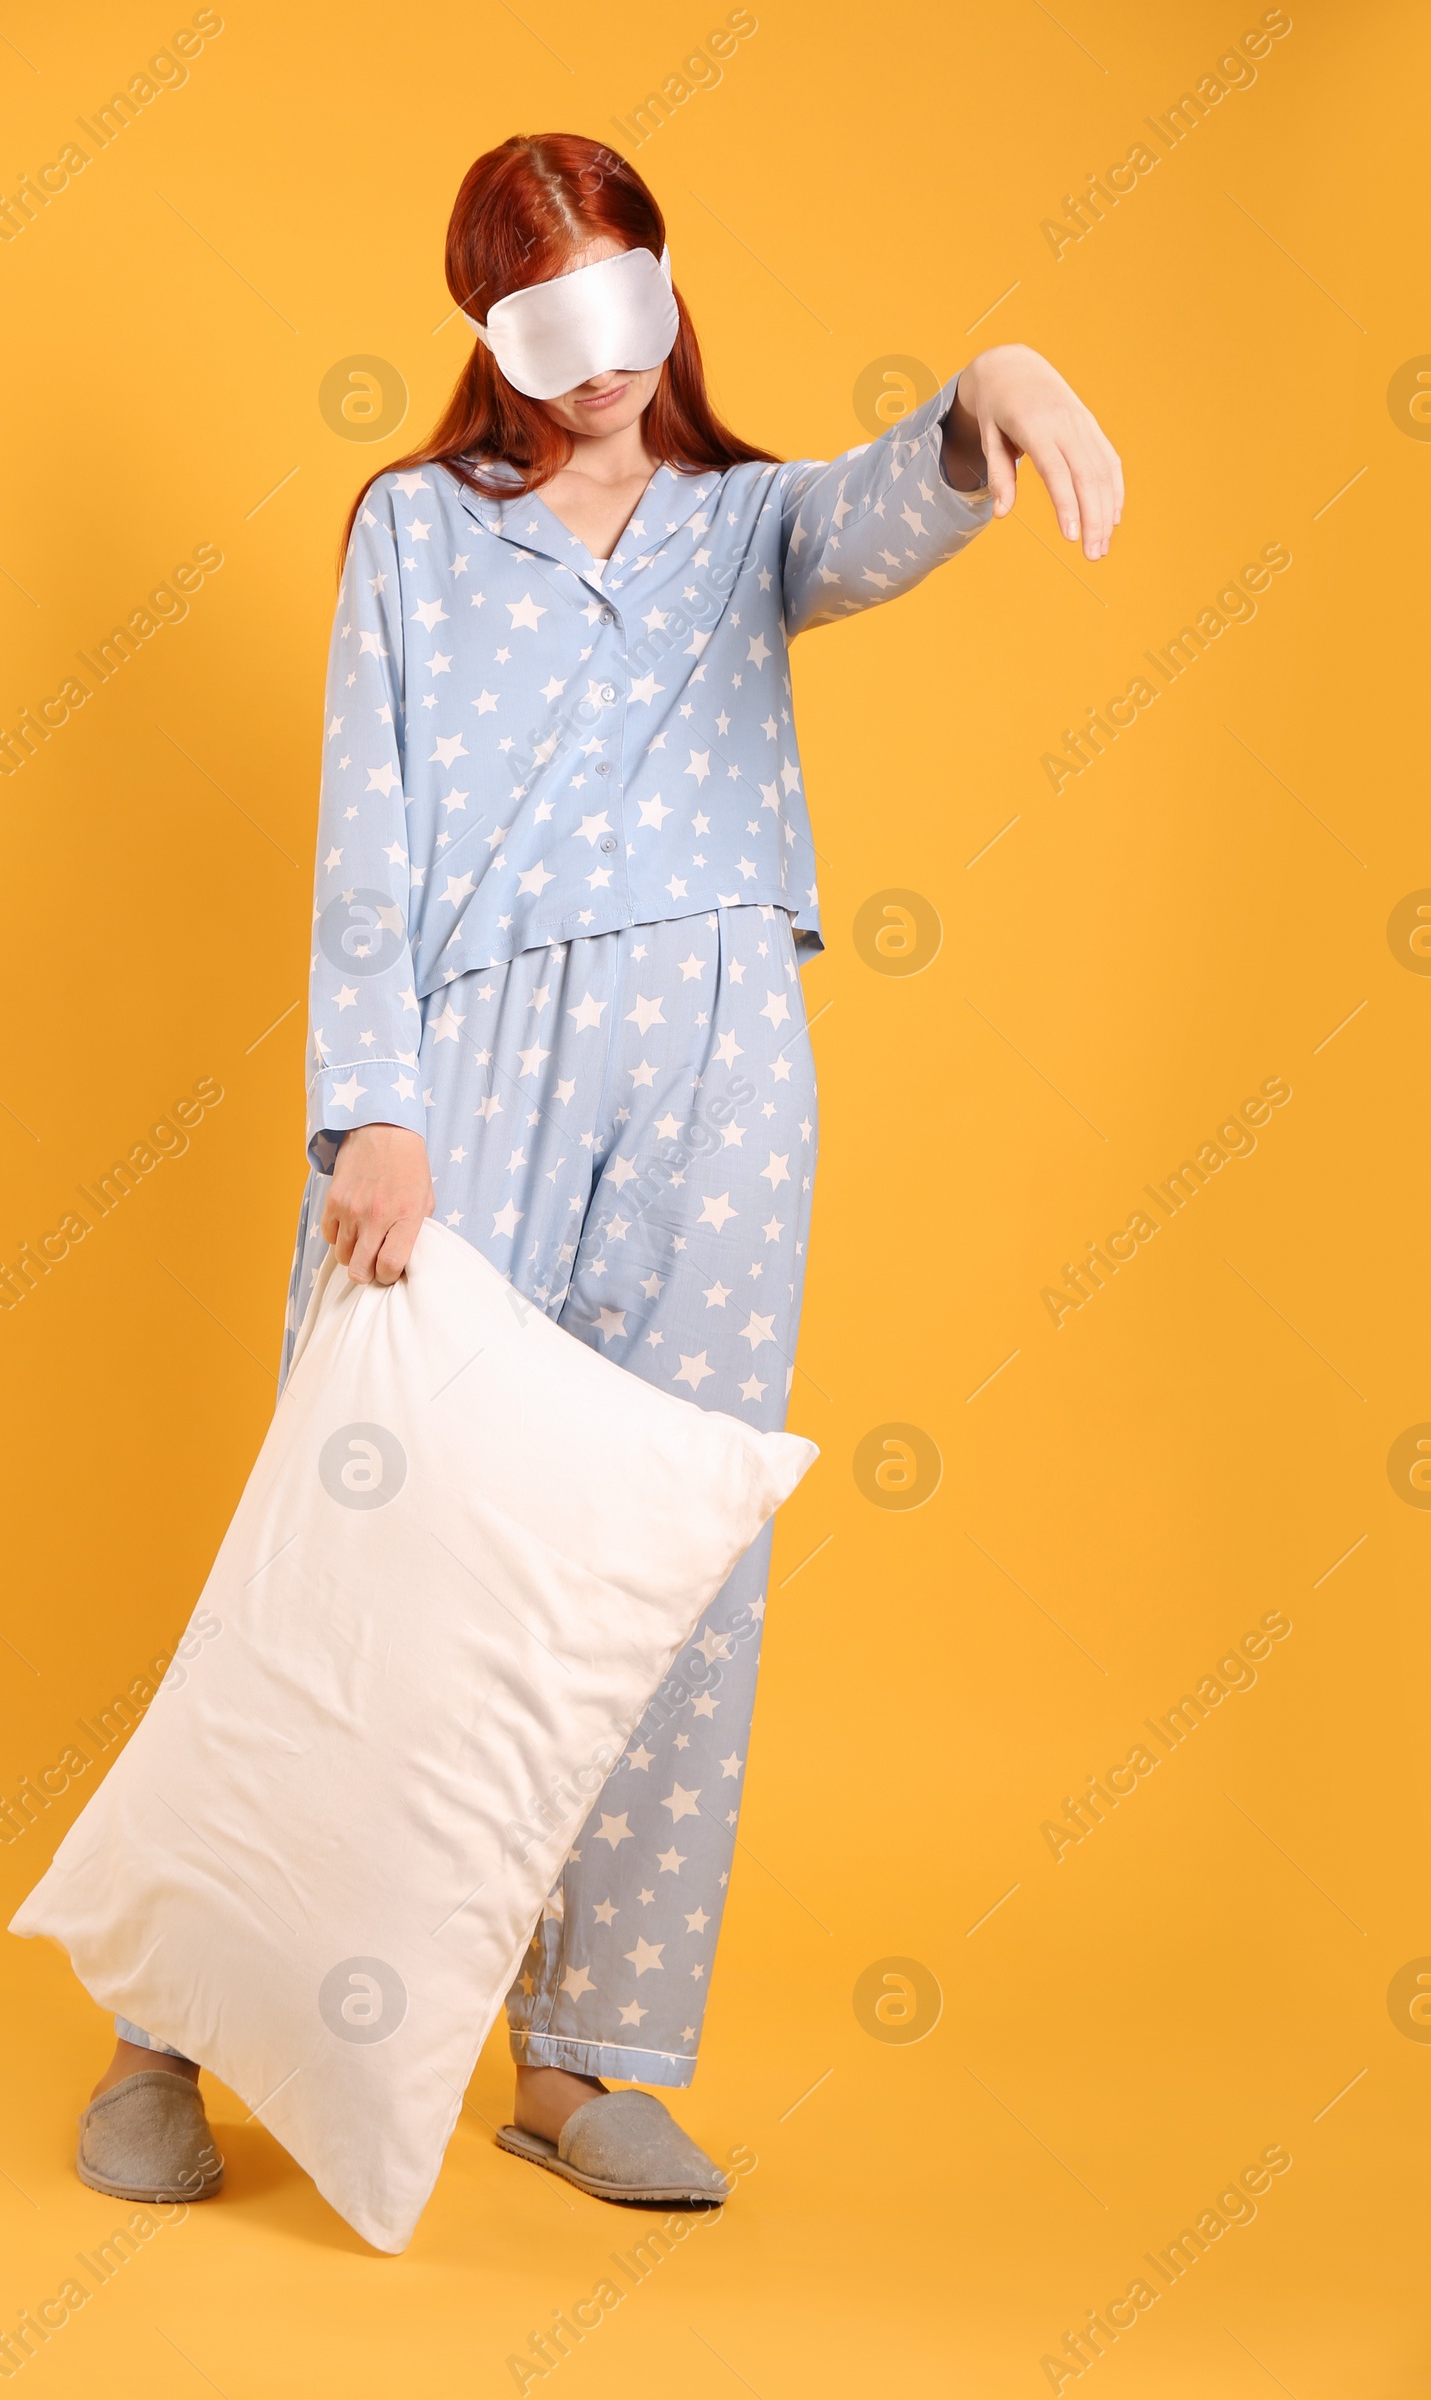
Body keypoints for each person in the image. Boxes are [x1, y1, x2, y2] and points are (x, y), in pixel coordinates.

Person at [74, 130, 1122, 2213]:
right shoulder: (415, 533)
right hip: (463, 1079)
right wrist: (373, 1097)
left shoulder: (742, 529)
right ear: (483, 328)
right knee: (365, 1546)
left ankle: (584, 2060)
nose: (596, 362)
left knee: (667, 1565)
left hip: (724, 1071)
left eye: (623, 301)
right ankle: (166, 2029)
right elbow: (367, 824)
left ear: (662, 289)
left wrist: (990, 379)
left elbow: (870, 514)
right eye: (545, 318)